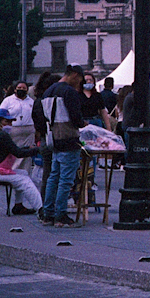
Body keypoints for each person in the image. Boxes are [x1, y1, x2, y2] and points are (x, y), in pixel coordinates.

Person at [35, 65, 87, 227]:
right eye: (80, 80)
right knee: (66, 179)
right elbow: (75, 117)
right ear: (75, 75)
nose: (79, 83)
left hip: (53, 138)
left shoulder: (48, 91)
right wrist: (83, 123)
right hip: (68, 137)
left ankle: (48, 213)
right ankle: (61, 215)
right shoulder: (69, 92)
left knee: (53, 177)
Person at [0, 108, 42, 214]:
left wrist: (27, 148)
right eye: (6, 121)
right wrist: (37, 150)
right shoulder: (2, 135)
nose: (10, 124)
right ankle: (41, 209)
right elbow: (18, 153)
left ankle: (18, 205)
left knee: (23, 173)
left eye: (11, 122)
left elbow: (13, 150)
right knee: (24, 180)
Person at [0, 80, 35, 173]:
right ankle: (12, 172)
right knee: (14, 153)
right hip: (13, 129)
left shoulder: (31, 101)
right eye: (19, 88)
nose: (21, 89)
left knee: (27, 156)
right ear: (15, 89)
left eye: (24, 88)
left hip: (28, 130)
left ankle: (26, 173)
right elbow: (1, 113)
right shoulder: (8, 100)